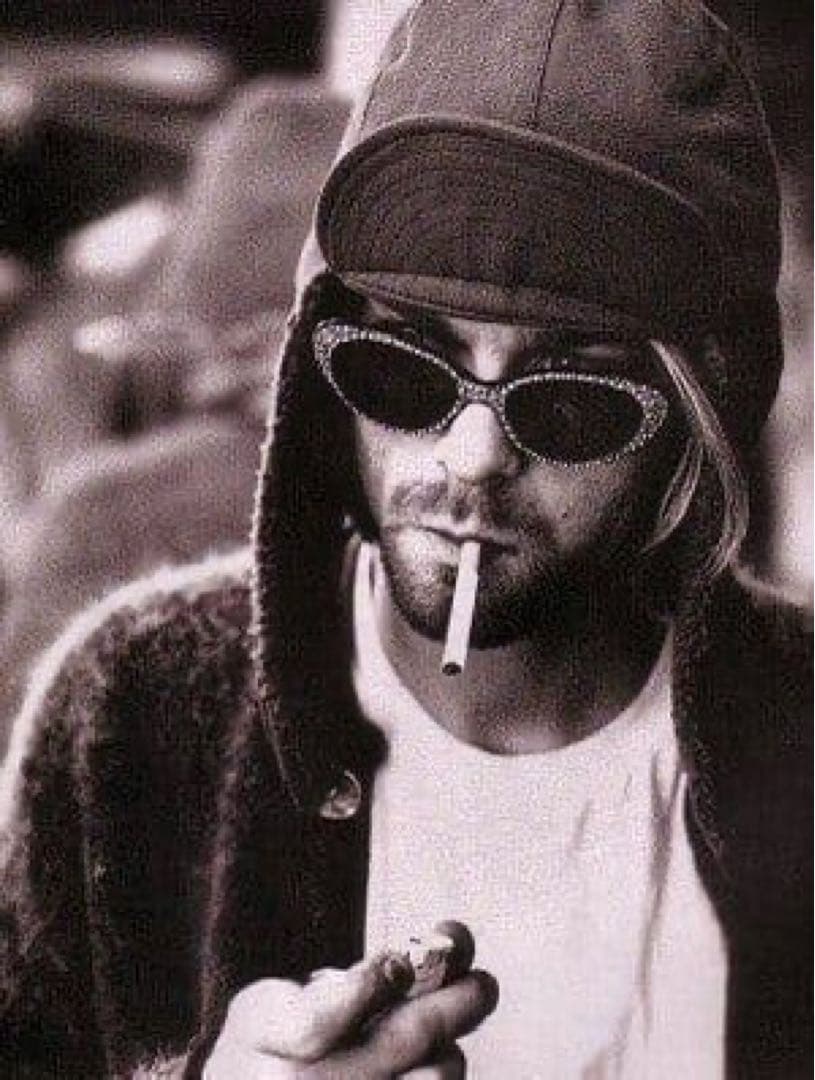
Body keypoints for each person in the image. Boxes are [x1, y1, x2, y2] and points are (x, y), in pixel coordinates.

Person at [0, 1, 810, 1076]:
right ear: (314, 364)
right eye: (402, 370)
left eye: (573, 401)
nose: (471, 458)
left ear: (699, 420)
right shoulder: (128, 713)